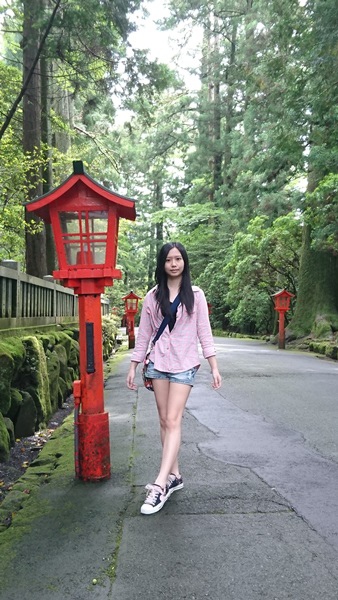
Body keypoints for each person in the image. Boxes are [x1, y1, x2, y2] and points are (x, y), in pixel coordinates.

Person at [126, 241, 222, 515]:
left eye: (178, 259)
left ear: (184, 262)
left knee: (173, 419)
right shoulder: (152, 296)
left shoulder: (196, 295)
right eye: (169, 260)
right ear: (163, 264)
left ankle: (159, 484)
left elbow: (204, 331)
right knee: (163, 420)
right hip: (158, 363)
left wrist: (214, 366)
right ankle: (175, 476)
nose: (174, 264)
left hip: (184, 364)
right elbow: (144, 335)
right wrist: (133, 366)